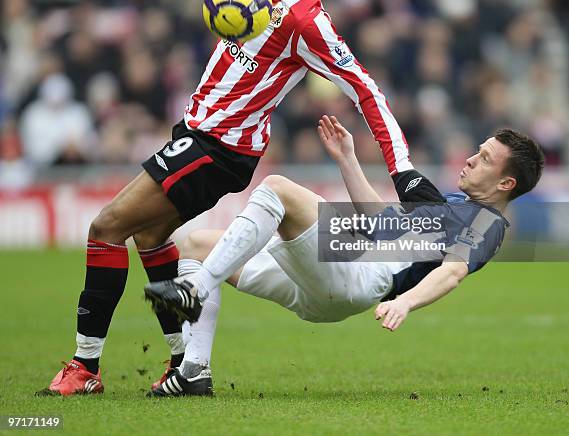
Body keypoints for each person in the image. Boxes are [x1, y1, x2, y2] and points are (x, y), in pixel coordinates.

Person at [42, 0, 439, 396]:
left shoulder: (307, 20)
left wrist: (403, 173)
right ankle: (183, 367)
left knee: (106, 227)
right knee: (152, 237)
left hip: (221, 147)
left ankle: (85, 368)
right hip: (197, 134)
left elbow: (365, 90)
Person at [145, 115, 544, 397]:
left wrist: (405, 302)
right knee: (197, 244)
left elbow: (453, 272)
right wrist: (347, 159)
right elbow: (378, 221)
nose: (473, 159)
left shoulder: (488, 223)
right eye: (479, 150)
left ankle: (195, 288)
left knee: (279, 189)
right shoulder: (455, 201)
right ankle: (194, 372)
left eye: (486, 159)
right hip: (338, 267)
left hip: (356, 277)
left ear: (506, 183)